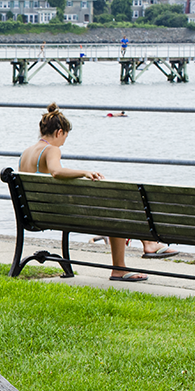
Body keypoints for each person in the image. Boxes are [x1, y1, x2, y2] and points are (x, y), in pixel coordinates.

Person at [19, 103, 177, 283]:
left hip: (35, 214)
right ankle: (126, 262)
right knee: (117, 212)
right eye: (65, 137)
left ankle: (147, 244)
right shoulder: (52, 149)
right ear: (59, 132)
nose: (63, 142)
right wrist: (84, 172)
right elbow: (56, 171)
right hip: (56, 215)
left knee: (113, 208)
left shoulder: (26, 152)